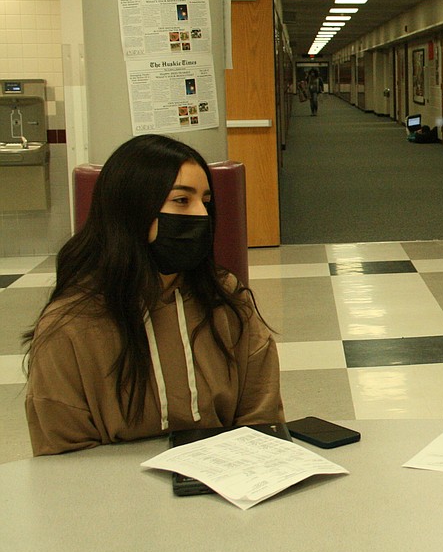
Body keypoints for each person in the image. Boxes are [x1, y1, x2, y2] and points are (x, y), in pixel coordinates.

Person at [24, 134, 283, 455]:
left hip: (225, 489)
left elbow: (261, 419)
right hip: (113, 498)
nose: (201, 216)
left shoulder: (227, 300)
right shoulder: (70, 327)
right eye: (181, 200)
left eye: (206, 201)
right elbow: (63, 458)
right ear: (133, 210)